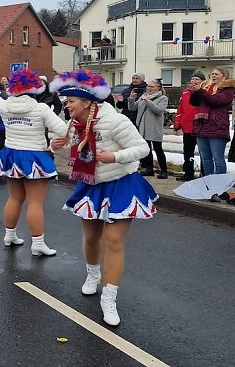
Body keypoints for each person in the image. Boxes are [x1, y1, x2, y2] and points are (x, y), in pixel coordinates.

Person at [49, 70, 157, 327]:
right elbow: (78, 158)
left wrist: (115, 157)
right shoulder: (75, 124)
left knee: (114, 241)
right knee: (91, 238)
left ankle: (109, 298)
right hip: (91, 185)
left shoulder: (115, 120)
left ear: (87, 102)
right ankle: (93, 274)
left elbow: (142, 148)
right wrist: (58, 148)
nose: (66, 105)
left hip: (121, 183)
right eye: (65, 101)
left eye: (70, 101)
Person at [0, 65, 68, 255]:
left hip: (12, 154)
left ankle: (10, 235)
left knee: (15, 198)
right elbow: (64, 130)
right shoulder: (41, 108)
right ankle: (38, 243)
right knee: (35, 203)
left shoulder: (5, 106)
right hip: (35, 156)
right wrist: (57, 142)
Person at [190, 67, 235, 177]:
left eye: (216, 74)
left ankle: (220, 183)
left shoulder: (228, 89)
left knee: (218, 158)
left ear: (224, 76)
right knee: (205, 158)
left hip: (216, 126)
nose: (213, 76)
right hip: (201, 126)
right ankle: (208, 182)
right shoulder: (206, 88)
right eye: (212, 74)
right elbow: (194, 102)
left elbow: (216, 101)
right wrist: (194, 92)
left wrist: (200, 91)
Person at [128, 79, 169, 179]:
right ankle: (149, 169)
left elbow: (159, 110)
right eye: (148, 86)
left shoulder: (163, 98)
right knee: (147, 148)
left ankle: (164, 171)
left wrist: (148, 101)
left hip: (154, 127)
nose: (149, 88)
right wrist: (131, 99)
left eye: (152, 87)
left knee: (158, 148)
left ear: (158, 88)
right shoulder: (144, 96)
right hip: (143, 126)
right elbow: (132, 108)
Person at [173, 71, 205, 181]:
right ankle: (188, 173)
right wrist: (177, 124)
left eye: (197, 79)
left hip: (201, 127)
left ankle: (204, 174)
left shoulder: (205, 92)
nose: (194, 81)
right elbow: (180, 109)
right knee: (187, 152)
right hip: (187, 127)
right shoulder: (185, 92)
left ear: (202, 81)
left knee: (203, 153)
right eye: (193, 79)